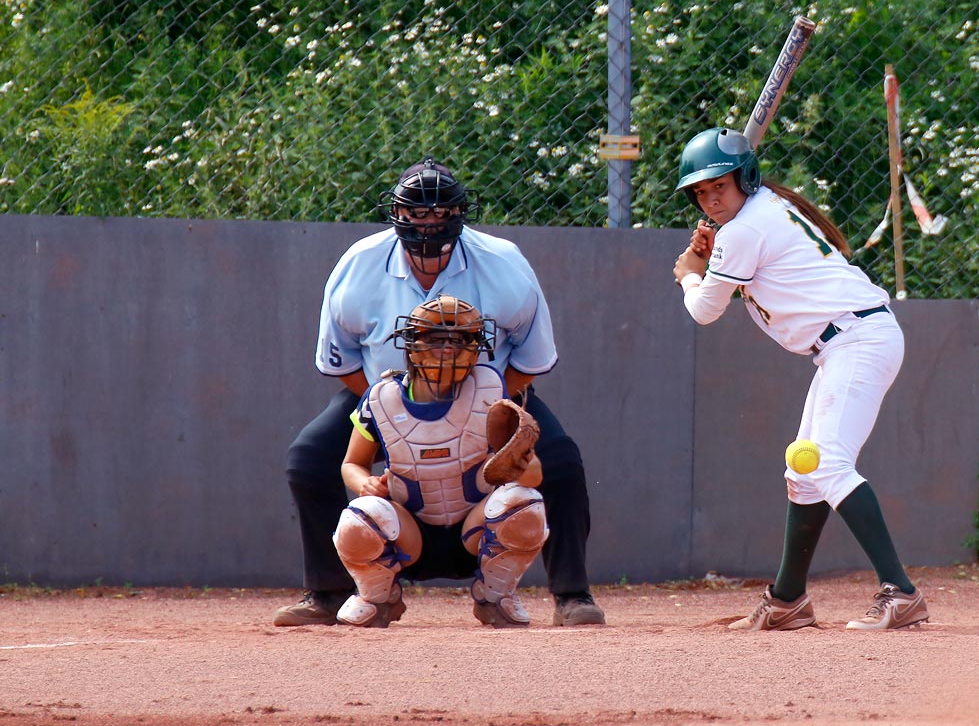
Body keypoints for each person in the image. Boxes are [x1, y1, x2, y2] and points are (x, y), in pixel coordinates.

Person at [276, 158, 604, 628]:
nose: (429, 224)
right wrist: (396, 413)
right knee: (307, 458)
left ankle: (572, 594)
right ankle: (328, 594)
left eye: (440, 214)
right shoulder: (359, 266)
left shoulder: (503, 263)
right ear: (398, 216)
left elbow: (528, 363)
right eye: (417, 214)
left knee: (563, 462)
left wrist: (481, 411)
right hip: (384, 390)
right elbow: (343, 361)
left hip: (492, 394)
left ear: (459, 215)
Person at [669, 127, 928, 631]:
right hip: (848, 341)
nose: (710, 198)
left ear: (745, 178)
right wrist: (715, 248)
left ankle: (901, 593)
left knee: (827, 463)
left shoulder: (744, 229)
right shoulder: (756, 213)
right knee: (803, 474)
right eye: (701, 192)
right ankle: (788, 599)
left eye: (720, 186)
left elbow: (703, 310)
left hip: (855, 339)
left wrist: (690, 271)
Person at [334, 294, 547, 627]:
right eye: (436, 338)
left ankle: (495, 595)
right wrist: (366, 484)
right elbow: (352, 464)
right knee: (359, 519)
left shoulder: (491, 391)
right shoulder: (381, 397)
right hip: (409, 536)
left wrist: (518, 461)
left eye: (461, 339)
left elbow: (534, 477)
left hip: (475, 534)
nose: (448, 348)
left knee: (525, 505)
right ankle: (378, 597)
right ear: (412, 343)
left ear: (478, 346)